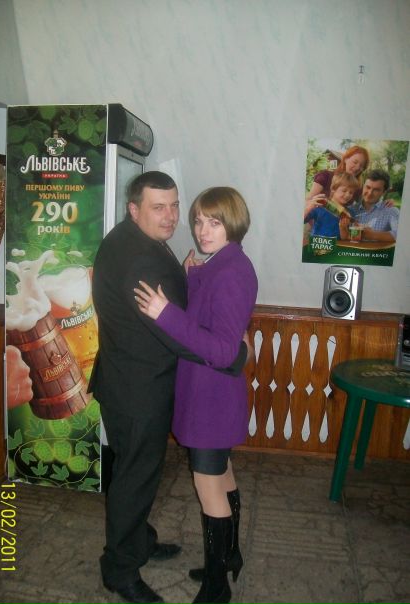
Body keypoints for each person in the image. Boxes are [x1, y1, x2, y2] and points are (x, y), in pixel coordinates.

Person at [89, 172, 249, 604]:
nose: (171, 216)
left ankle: (139, 541)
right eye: (158, 207)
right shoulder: (138, 259)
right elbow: (172, 332)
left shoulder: (135, 239)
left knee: (135, 473)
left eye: (175, 205)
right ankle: (120, 570)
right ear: (134, 208)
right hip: (138, 390)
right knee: (134, 480)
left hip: (130, 381)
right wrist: (234, 355)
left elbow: (172, 302)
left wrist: (185, 275)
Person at [134, 186, 258, 604]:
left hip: (211, 398)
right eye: (199, 221)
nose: (203, 230)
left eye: (214, 222)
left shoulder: (231, 272)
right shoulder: (223, 263)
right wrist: (193, 274)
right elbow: (211, 315)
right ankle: (230, 555)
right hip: (211, 394)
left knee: (208, 488)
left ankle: (217, 586)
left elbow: (222, 349)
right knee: (222, 475)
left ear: (233, 223)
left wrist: (165, 313)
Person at [348, 169, 399, 242]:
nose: (370, 193)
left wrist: (372, 235)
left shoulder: (391, 211)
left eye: (376, 190)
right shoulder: (350, 210)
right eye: (368, 187)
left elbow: (401, 234)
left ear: (384, 192)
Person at [304, 172, 359, 239]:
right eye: (344, 191)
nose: (348, 195)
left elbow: (346, 238)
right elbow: (301, 220)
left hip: (337, 245)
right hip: (318, 244)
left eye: (351, 192)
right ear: (333, 189)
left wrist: (343, 228)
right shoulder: (320, 205)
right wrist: (309, 207)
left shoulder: (350, 213)